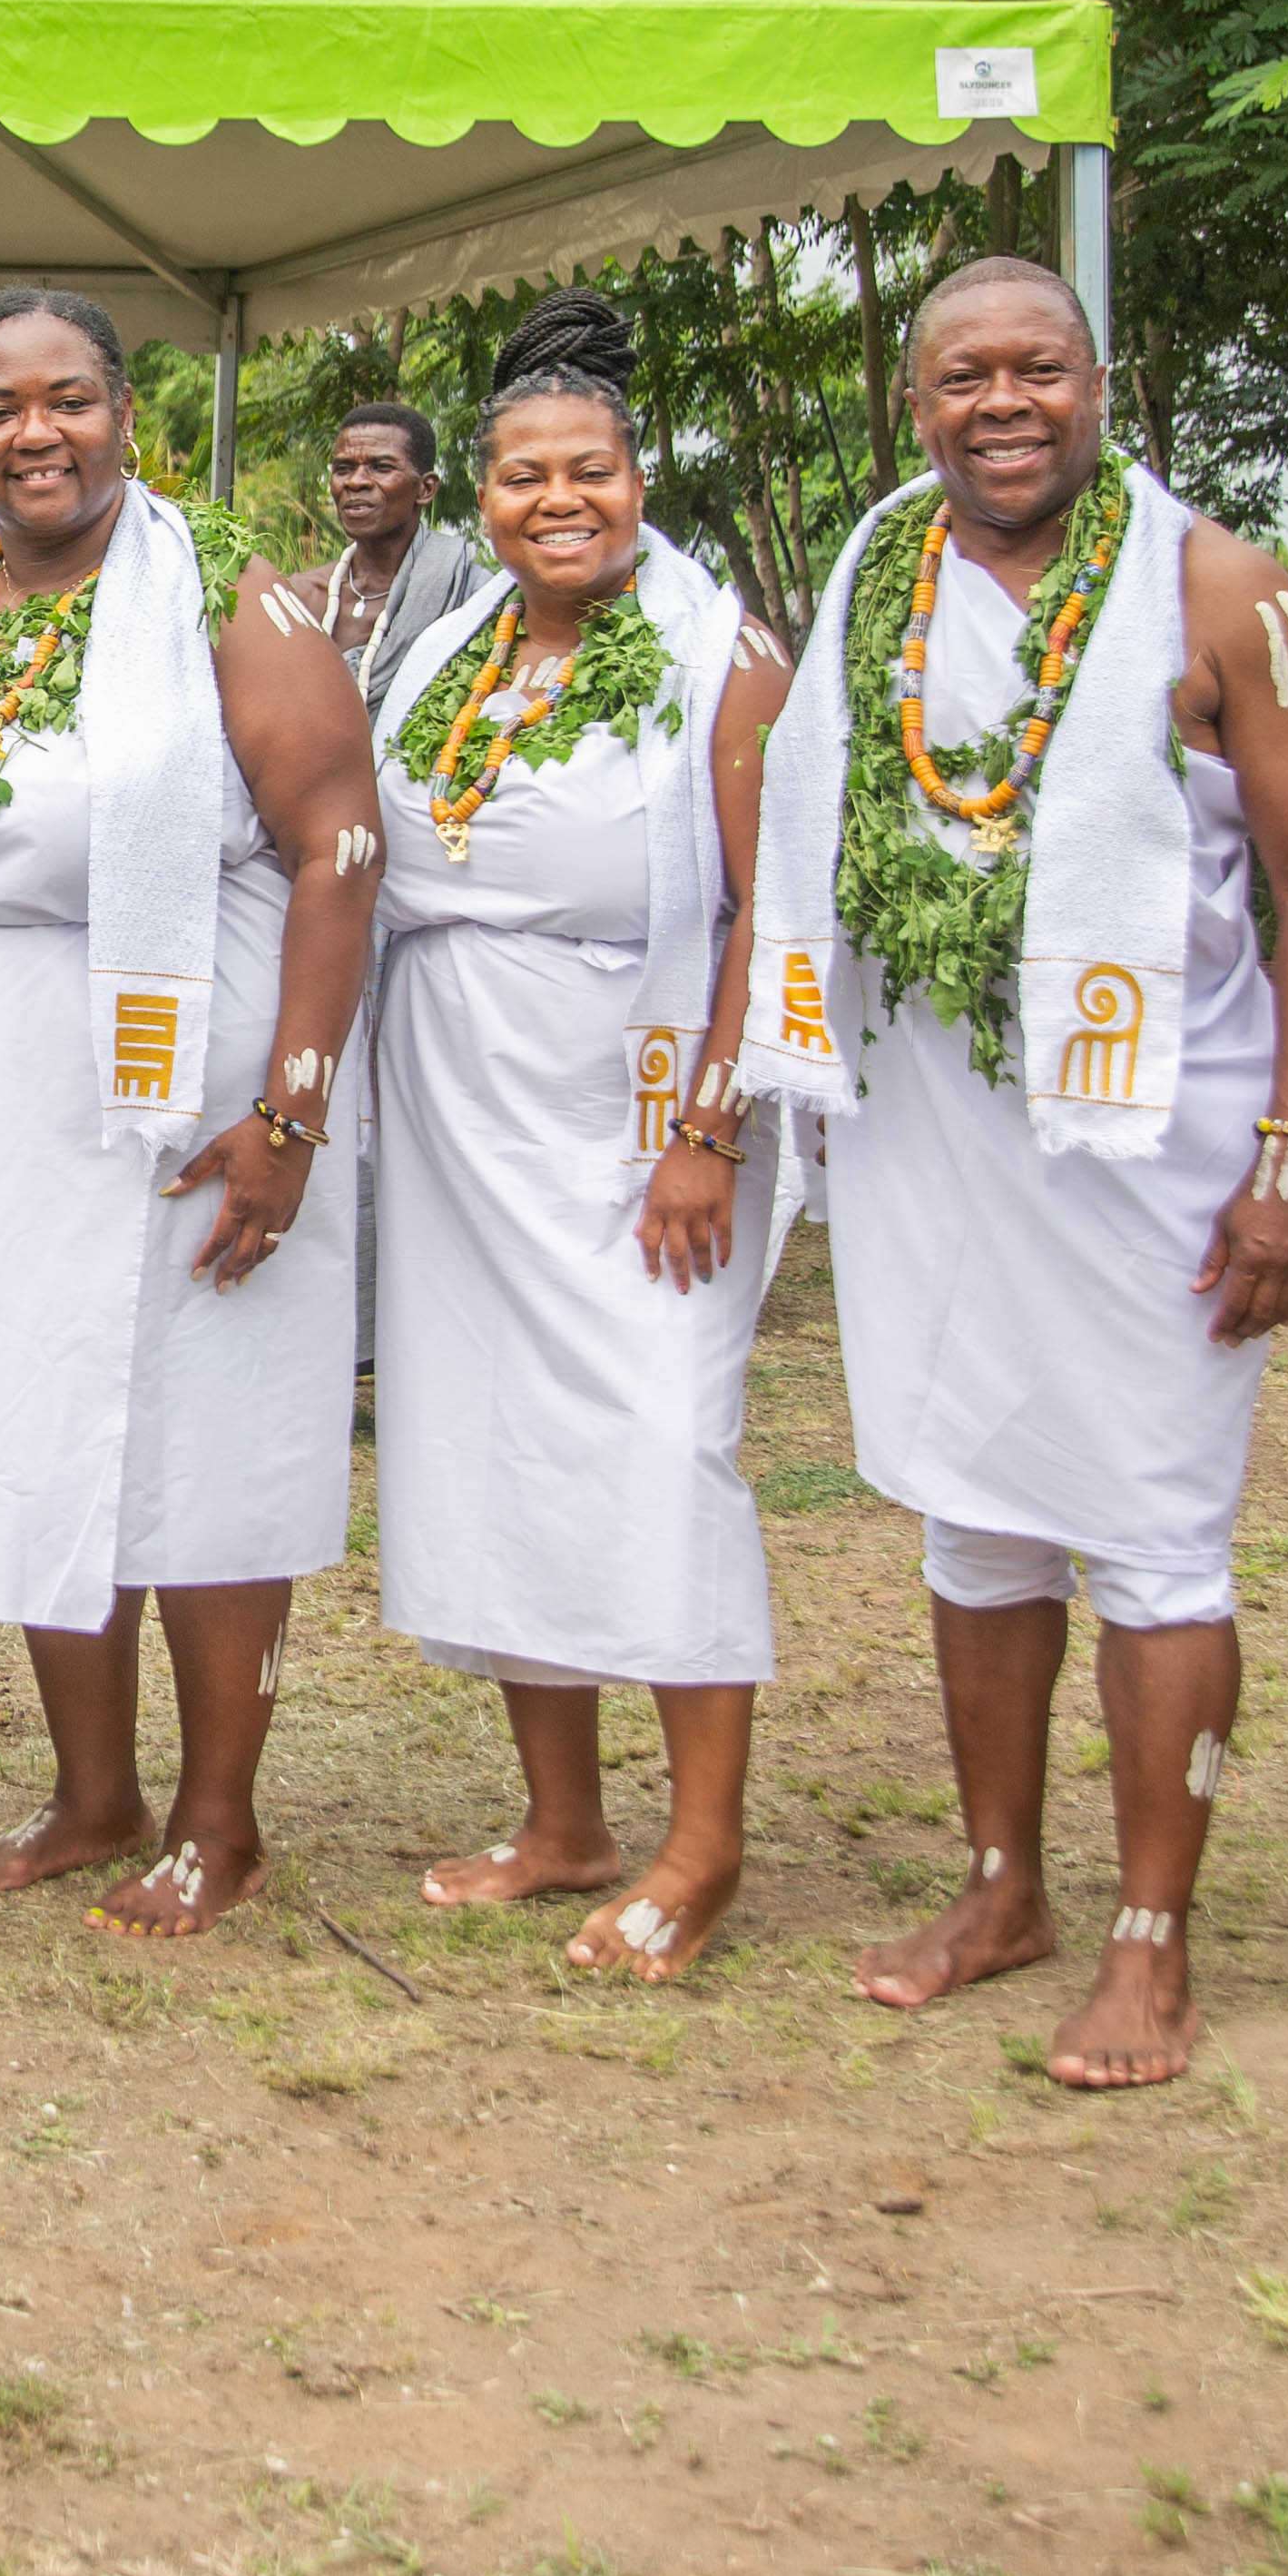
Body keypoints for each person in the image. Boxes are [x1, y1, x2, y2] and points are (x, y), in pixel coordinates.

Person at [738, 255, 1288, 2089]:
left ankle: (1150, 1939)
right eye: (963, 377)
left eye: (1037, 369)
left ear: (1103, 383)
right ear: (916, 403)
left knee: (1157, 1534)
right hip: (935, 1128)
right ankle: (1000, 1885)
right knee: (975, 1509)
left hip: (1155, 1137)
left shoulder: (1222, 590)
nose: (1000, 404)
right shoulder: (879, 569)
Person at [0, 286, 383, 1939]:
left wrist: (290, 1114)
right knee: (35, 1418)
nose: (33, 433)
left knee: (201, 1436)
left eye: (66, 398)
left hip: (177, 1099)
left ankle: (219, 1819)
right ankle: (92, 1792)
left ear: (126, 413)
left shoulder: (228, 598)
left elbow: (339, 846)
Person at [368, 292, 798, 1978]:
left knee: (659, 1440)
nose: (558, 500)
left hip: (637, 1118)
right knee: (492, 1442)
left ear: (639, 477)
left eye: (589, 471)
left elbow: (776, 908)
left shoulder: (723, 659)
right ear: (481, 498)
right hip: (463, 1120)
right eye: (523, 476)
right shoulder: (455, 653)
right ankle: (564, 1822)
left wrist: (710, 1128)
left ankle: (705, 1843)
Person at [293, 400, 493, 696]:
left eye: (381, 468)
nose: (356, 482)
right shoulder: (299, 596)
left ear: (425, 489)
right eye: (343, 469)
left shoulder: (472, 597)